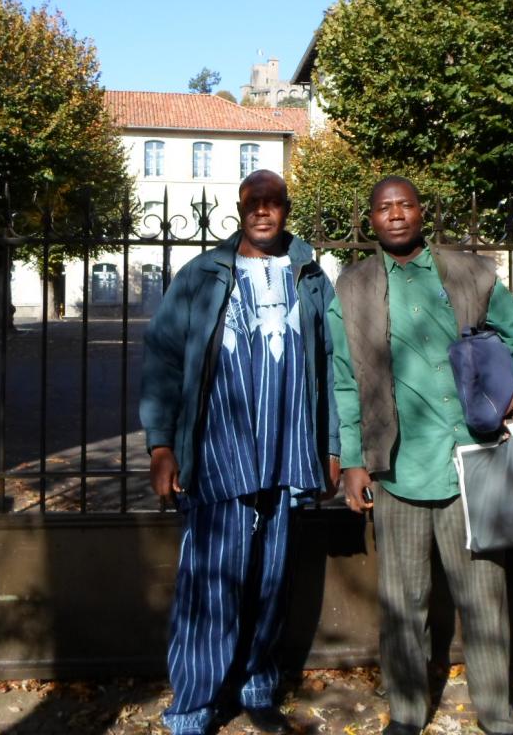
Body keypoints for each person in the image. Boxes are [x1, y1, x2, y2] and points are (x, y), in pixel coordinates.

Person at [329, 175, 513, 735]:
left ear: (420, 212)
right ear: (373, 218)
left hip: (471, 464)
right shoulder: (352, 288)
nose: (396, 214)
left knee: (484, 598)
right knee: (403, 603)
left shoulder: (469, 274)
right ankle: (406, 714)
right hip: (399, 470)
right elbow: (343, 382)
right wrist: (354, 459)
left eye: (405, 204)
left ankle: (497, 715)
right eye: (385, 207)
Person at [139, 169, 340, 735]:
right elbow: (163, 360)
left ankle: (257, 688)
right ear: (239, 208)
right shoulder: (201, 275)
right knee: (209, 583)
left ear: (286, 209)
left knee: (272, 583)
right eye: (254, 202)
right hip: (217, 455)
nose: (263, 212)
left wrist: (330, 447)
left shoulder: (311, 276)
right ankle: (193, 708)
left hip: (285, 456)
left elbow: (330, 365)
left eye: (273, 202)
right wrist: (161, 446)